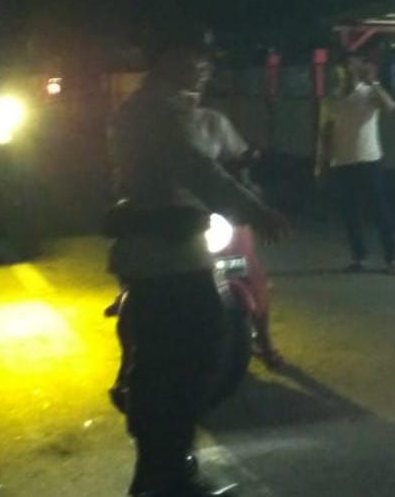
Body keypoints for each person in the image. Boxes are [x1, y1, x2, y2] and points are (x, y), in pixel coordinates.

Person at [107, 25, 288, 497]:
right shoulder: (159, 111)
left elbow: (217, 162)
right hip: (166, 256)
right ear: (166, 59)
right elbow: (196, 169)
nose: (204, 68)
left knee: (169, 361)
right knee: (184, 359)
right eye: (193, 58)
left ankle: (163, 467)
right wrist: (254, 209)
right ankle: (164, 471)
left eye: (207, 61)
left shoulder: (165, 108)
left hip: (170, 252)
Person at [189, 103, 284, 367]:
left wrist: (250, 197)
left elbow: (239, 161)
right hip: (180, 219)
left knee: (246, 269)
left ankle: (264, 340)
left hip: (218, 212)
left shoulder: (213, 122)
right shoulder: (154, 122)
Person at [316, 52, 395, 273]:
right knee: (350, 213)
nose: (349, 72)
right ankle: (359, 257)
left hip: (369, 159)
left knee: (379, 210)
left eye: (353, 67)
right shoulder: (332, 100)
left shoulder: (369, 93)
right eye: (345, 68)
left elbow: (390, 106)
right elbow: (325, 135)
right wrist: (322, 164)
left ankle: (391, 258)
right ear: (339, 71)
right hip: (343, 162)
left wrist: (374, 83)